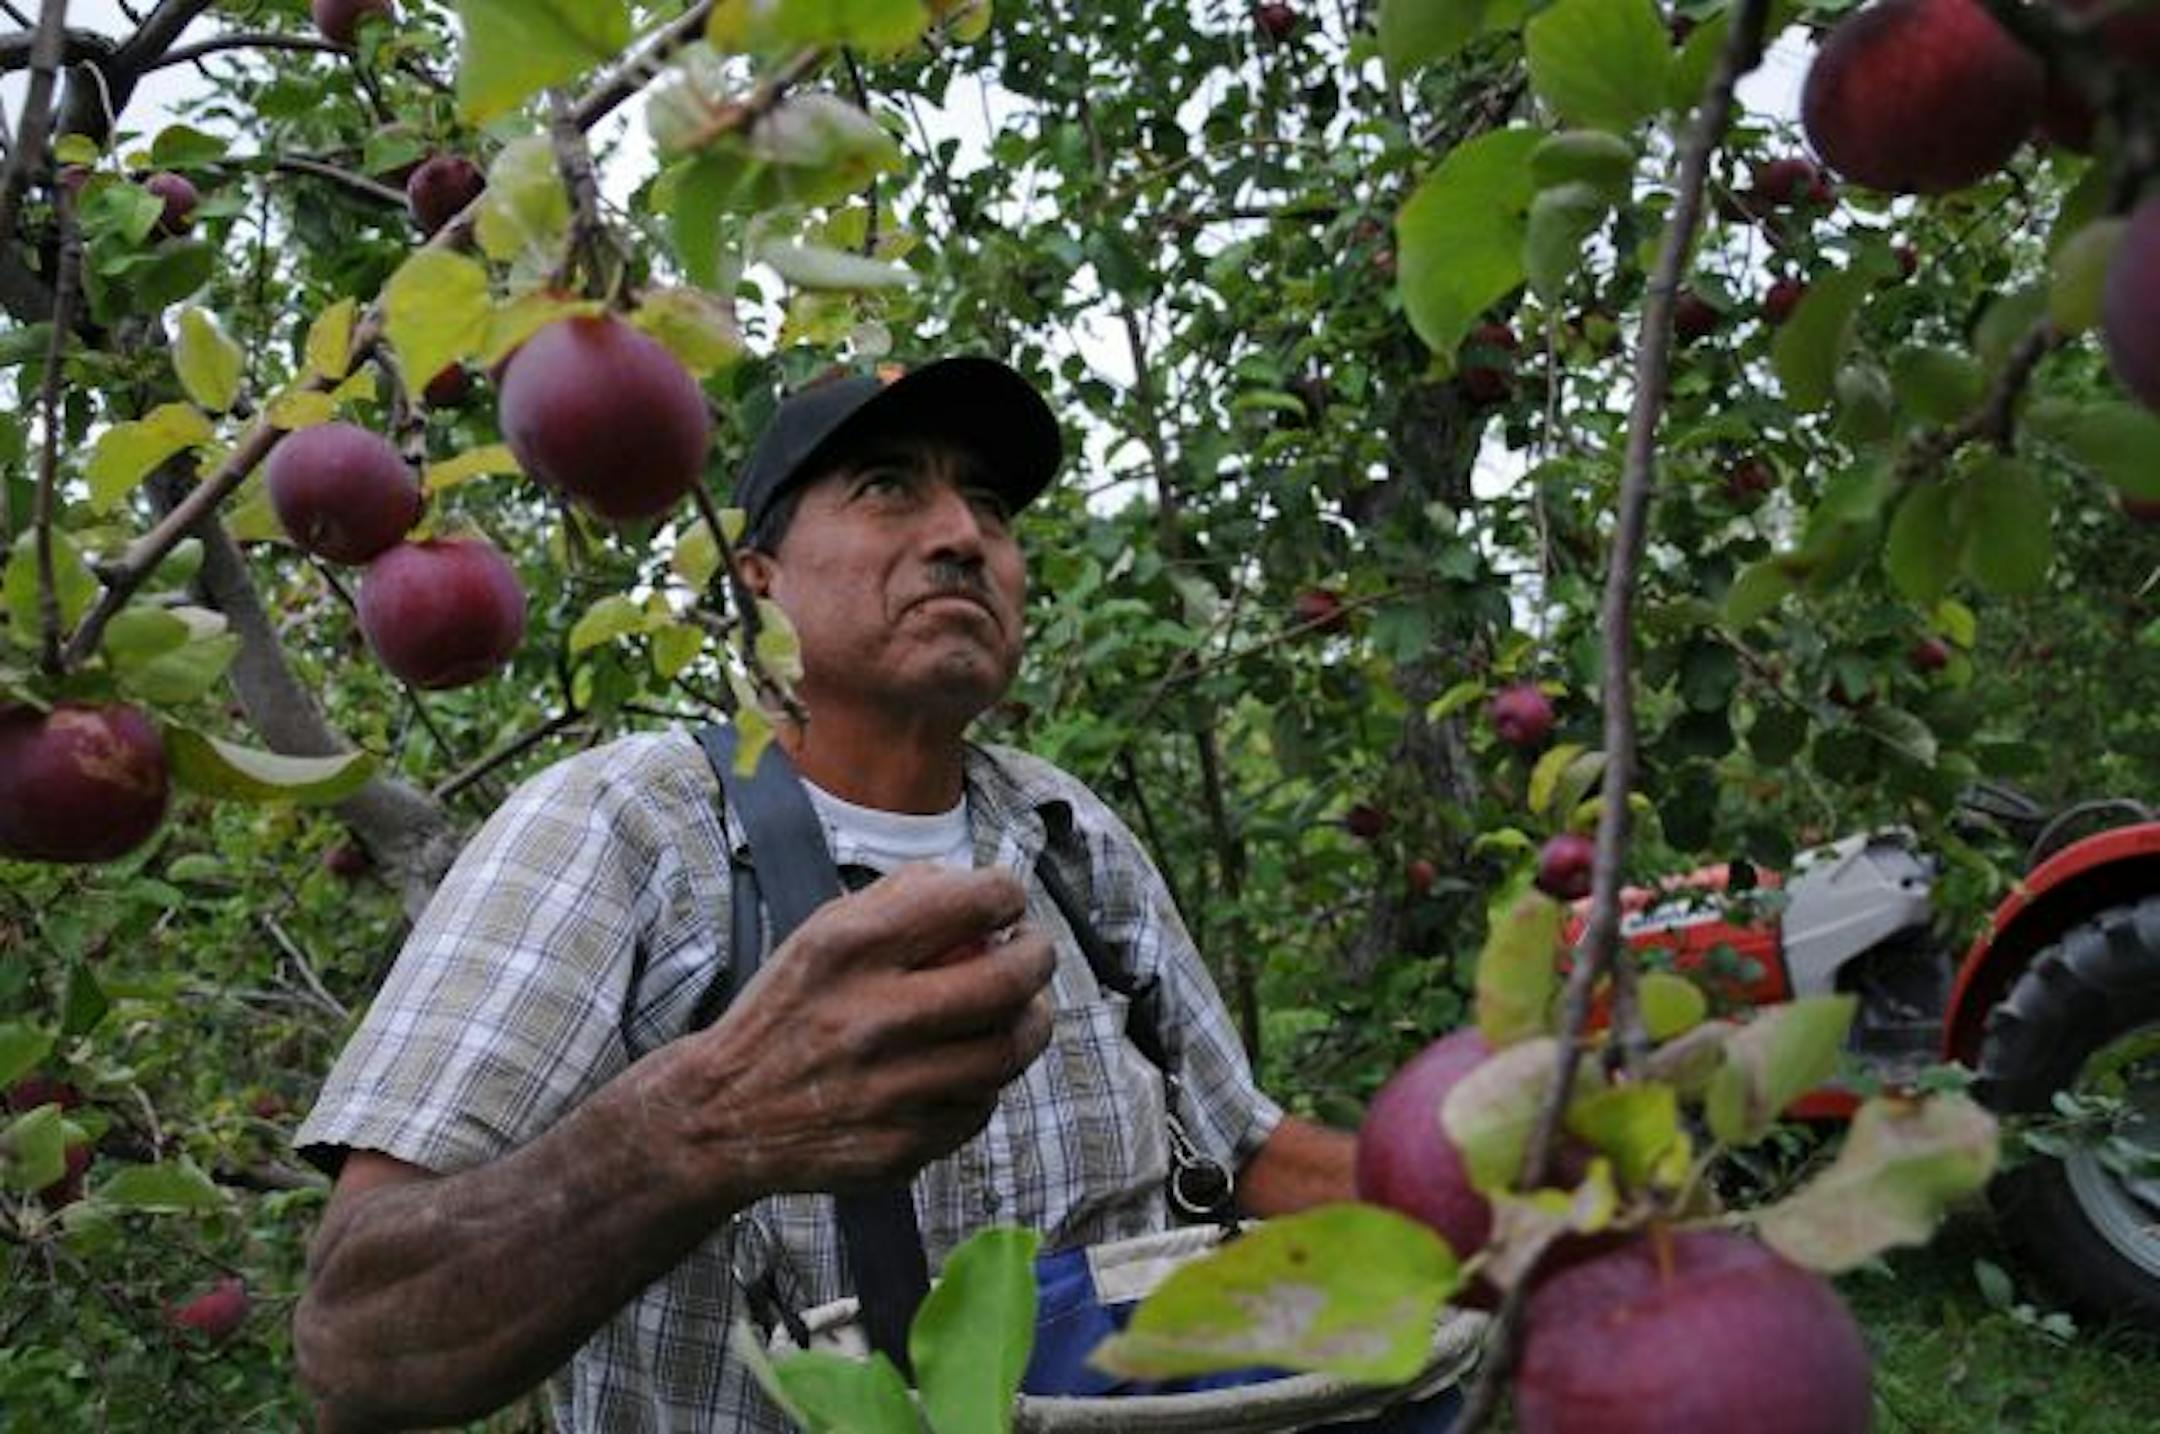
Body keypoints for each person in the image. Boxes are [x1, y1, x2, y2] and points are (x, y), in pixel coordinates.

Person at [292, 357, 1358, 1432]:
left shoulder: (1068, 837)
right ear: (759, 575)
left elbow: (1242, 1151)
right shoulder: (627, 824)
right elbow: (362, 1338)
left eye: (987, 506)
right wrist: (711, 1123)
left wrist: (1494, 1192)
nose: (960, 537)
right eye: (888, 487)